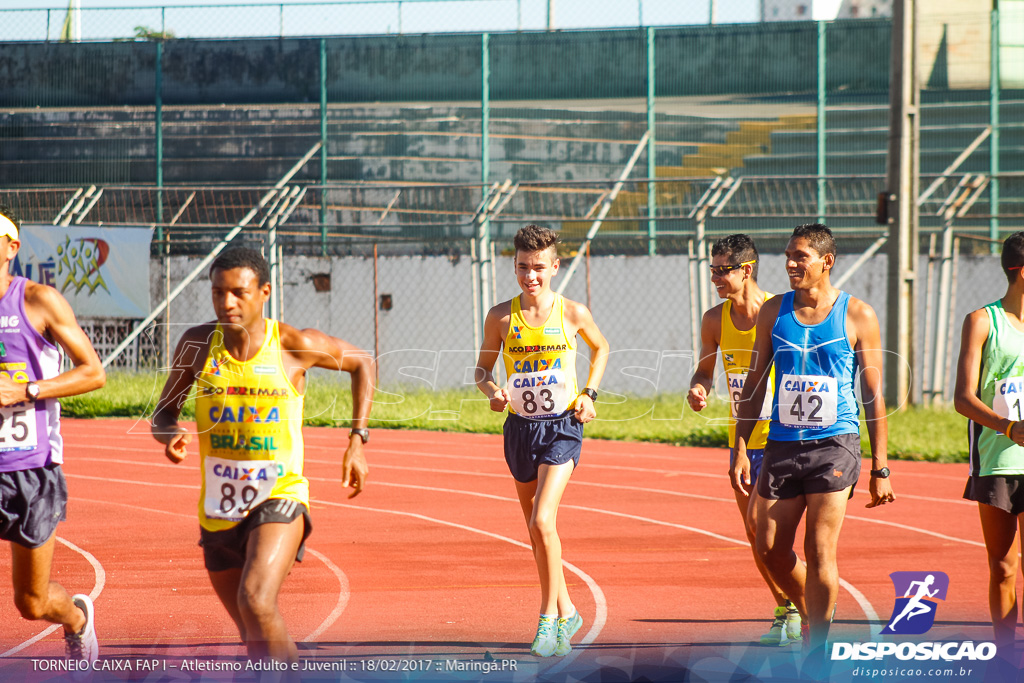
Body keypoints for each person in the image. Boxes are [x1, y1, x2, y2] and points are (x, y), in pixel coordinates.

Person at [151, 247, 374, 667]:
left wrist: (357, 441)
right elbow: (163, 413)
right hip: (218, 507)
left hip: (280, 495)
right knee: (253, 630)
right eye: (218, 293)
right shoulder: (198, 344)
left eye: (238, 292)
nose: (226, 303)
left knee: (255, 599)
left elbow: (362, 362)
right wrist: (170, 434)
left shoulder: (292, 345)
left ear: (264, 292)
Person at [733, 223, 895, 658]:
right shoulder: (773, 311)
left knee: (819, 547)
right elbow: (754, 382)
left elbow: (873, 393)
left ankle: (818, 650)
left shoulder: (858, 314)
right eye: (788, 255)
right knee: (766, 545)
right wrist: (740, 448)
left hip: (834, 443)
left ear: (826, 262)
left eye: (800, 256)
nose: (790, 263)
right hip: (783, 443)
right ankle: (812, 615)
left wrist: (880, 466)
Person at [474, 224, 609, 657]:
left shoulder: (573, 313)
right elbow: (481, 370)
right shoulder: (499, 317)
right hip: (519, 430)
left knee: (541, 521)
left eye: (537, 267)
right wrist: (492, 391)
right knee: (537, 534)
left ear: (554, 267)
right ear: (514, 267)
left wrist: (589, 394)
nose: (529, 275)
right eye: (522, 267)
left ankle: (549, 620)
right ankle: (568, 608)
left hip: (562, 427)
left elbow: (601, 348)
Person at [0, 205, 105, 665]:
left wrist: (26, 389)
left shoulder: (38, 300)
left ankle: (77, 618)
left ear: (11, 247)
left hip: (30, 469)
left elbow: (94, 372)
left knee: (32, 603)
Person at [687, 234, 801, 646]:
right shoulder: (714, 319)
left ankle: (808, 604)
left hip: (785, 436)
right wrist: (698, 387)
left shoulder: (781, 312)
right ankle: (785, 609)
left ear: (746, 269)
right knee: (754, 535)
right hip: (743, 439)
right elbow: (704, 371)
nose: (715, 276)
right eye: (712, 268)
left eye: (722, 270)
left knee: (764, 527)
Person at [953, 231, 1024, 649]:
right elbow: (963, 398)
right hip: (998, 460)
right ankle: (1005, 655)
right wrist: (1009, 427)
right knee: (1003, 567)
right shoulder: (982, 321)